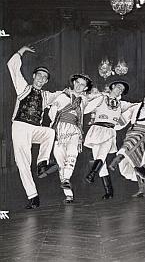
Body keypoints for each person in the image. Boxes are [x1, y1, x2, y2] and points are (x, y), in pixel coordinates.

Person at [7, 46, 61, 209]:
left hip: (34, 128)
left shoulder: (46, 95)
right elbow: (12, 66)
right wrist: (21, 51)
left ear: (46, 81)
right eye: (39, 75)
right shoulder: (23, 87)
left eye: (44, 77)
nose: (41, 79)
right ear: (34, 76)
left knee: (49, 132)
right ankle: (33, 197)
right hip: (20, 126)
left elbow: (62, 94)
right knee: (23, 162)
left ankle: (42, 164)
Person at [83, 81, 134, 199]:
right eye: (118, 87)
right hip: (97, 129)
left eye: (121, 90)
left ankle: (92, 173)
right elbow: (86, 103)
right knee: (100, 160)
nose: (119, 90)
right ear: (112, 87)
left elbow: (135, 106)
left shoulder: (122, 104)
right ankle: (109, 191)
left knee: (102, 154)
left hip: (109, 131)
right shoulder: (101, 98)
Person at [48, 74, 93, 203]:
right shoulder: (62, 95)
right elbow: (52, 113)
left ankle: (67, 180)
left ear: (85, 88)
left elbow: (96, 99)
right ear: (73, 82)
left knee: (72, 153)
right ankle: (69, 194)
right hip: (59, 130)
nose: (79, 86)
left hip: (74, 130)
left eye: (82, 84)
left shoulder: (83, 100)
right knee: (61, 163)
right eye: (77, 82)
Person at [109, 89, 145, 197]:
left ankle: (117, 159)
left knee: (133, 151)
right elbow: (124, 117)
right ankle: (142, 190)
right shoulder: (136, 107)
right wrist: (113, 123)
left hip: (142, 134)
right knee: (135, 160)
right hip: (132, 131)